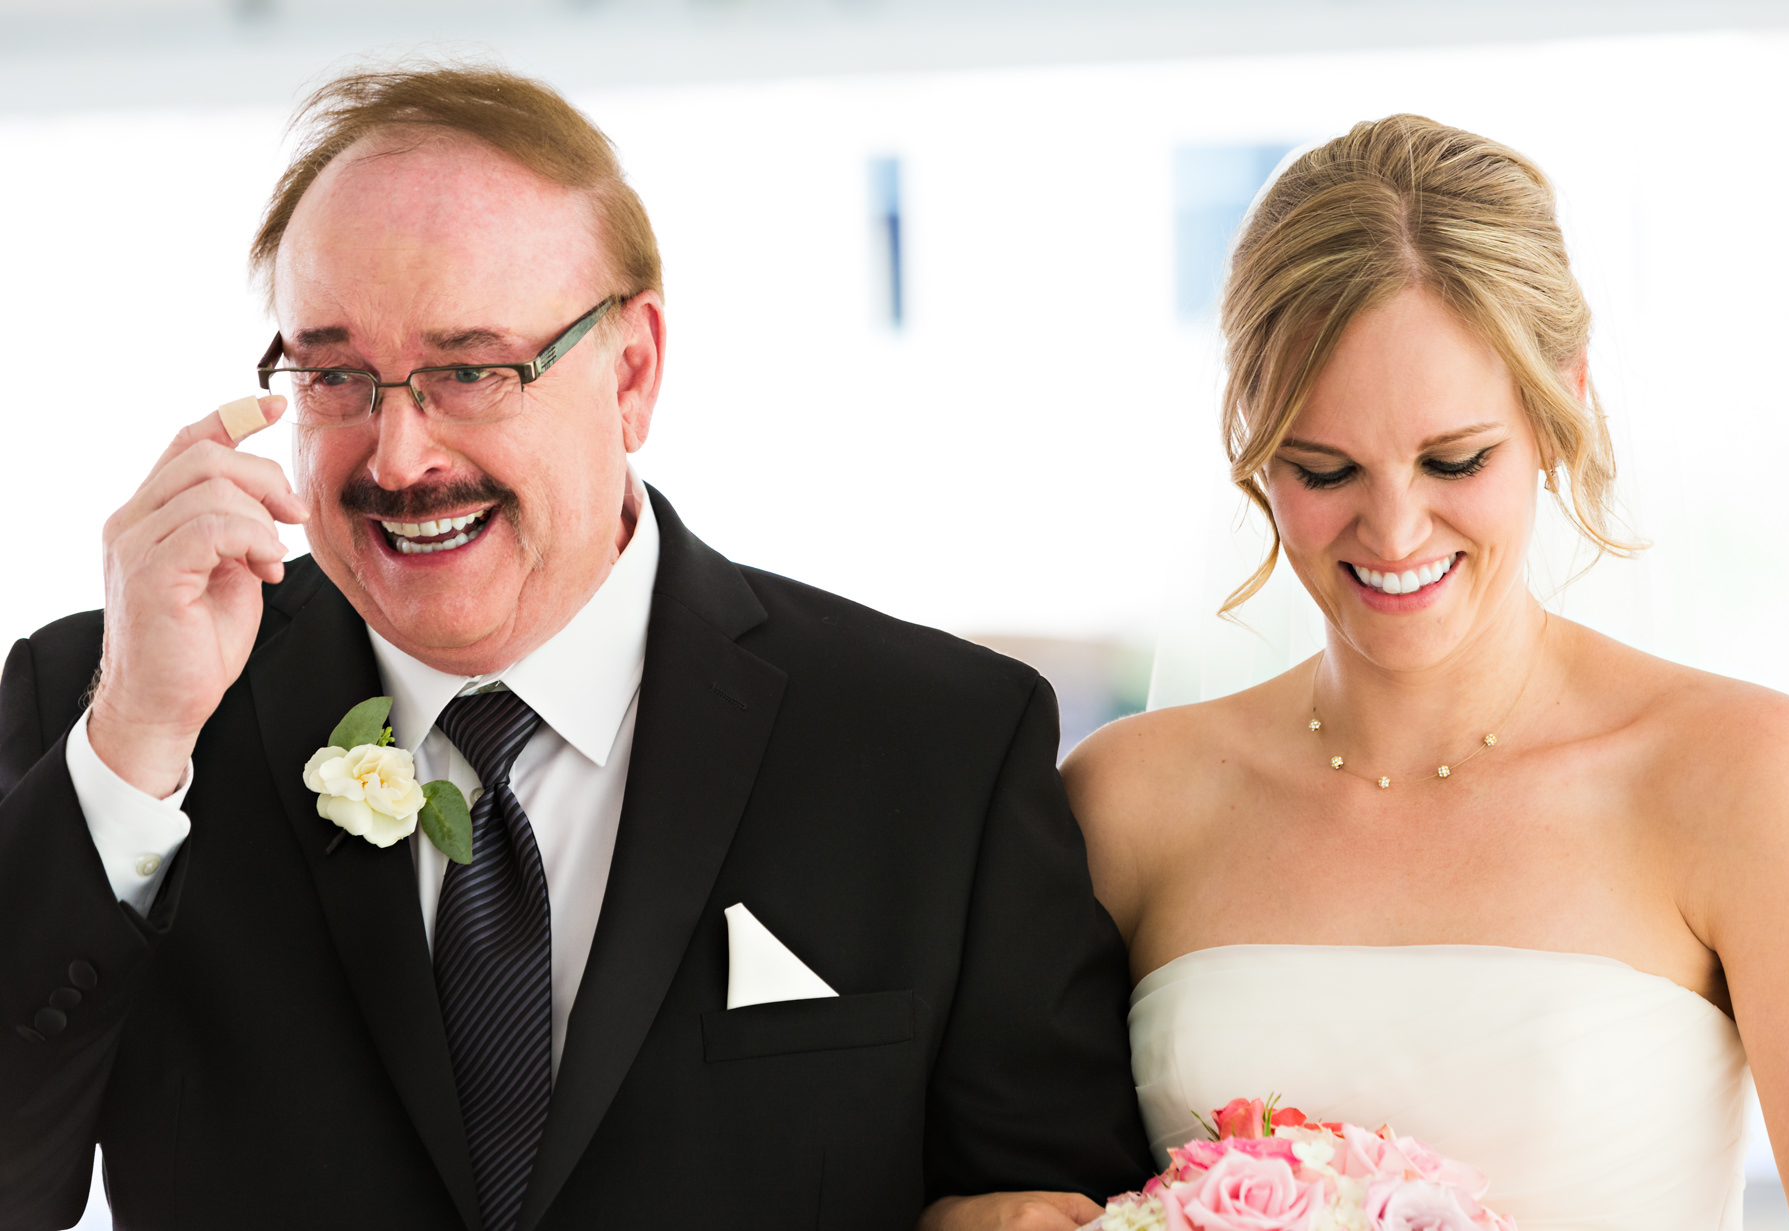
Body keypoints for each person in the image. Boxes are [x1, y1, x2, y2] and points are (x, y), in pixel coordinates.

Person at [0, 64, 1150, 1231]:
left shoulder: (936, 743)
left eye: (470, 369)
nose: (398, 459)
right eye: (337, 374)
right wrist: (135, 744)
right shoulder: (110, 710)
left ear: (632, 372)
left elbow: (1054, 1194)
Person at [1063, 115, 1789, 1230]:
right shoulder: (1125, 801)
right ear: (1250, 435)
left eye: (1453, 458)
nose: (1390, 530)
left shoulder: (1746, 777)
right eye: (1323, 466)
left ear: (1559, 402)